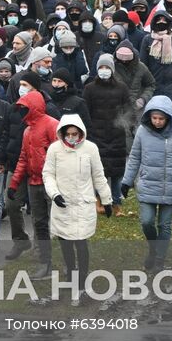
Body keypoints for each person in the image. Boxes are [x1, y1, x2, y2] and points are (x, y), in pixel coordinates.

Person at [41, 113, 112, 305]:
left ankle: (81, 286)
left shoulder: (90, 149)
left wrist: (106, 200)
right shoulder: (55, 150)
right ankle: (71, 277)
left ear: (81, 133)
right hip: (62, 205)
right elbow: (48, 174)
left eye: (75, 133)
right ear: (62, 133)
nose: (72, 137)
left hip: (83, 206)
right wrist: (54, 194)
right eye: (68, 134)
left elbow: (98, 175)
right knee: (66, 245)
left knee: (81, 244)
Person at [121, 96, 172, 272]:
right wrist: (126, 181)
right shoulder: (142, 132)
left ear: (168, 117)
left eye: (161, 118)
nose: (157, 122)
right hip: (148, 184)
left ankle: (160, 259)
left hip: (170, 186)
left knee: (164, 225)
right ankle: (154, 249)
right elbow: (135, 158)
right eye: (154, 118)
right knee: (146, 221)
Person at [6, 90, 59, 278]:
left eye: (24, 107)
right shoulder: (28, 130)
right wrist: (14, 184)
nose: (21, 111)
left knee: (59, 223)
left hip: (52, 182)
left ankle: (66, 260)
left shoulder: (52, 125)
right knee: (39, 223)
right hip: (34, 182)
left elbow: (62, 153)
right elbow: (23, 158)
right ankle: (45, 262)